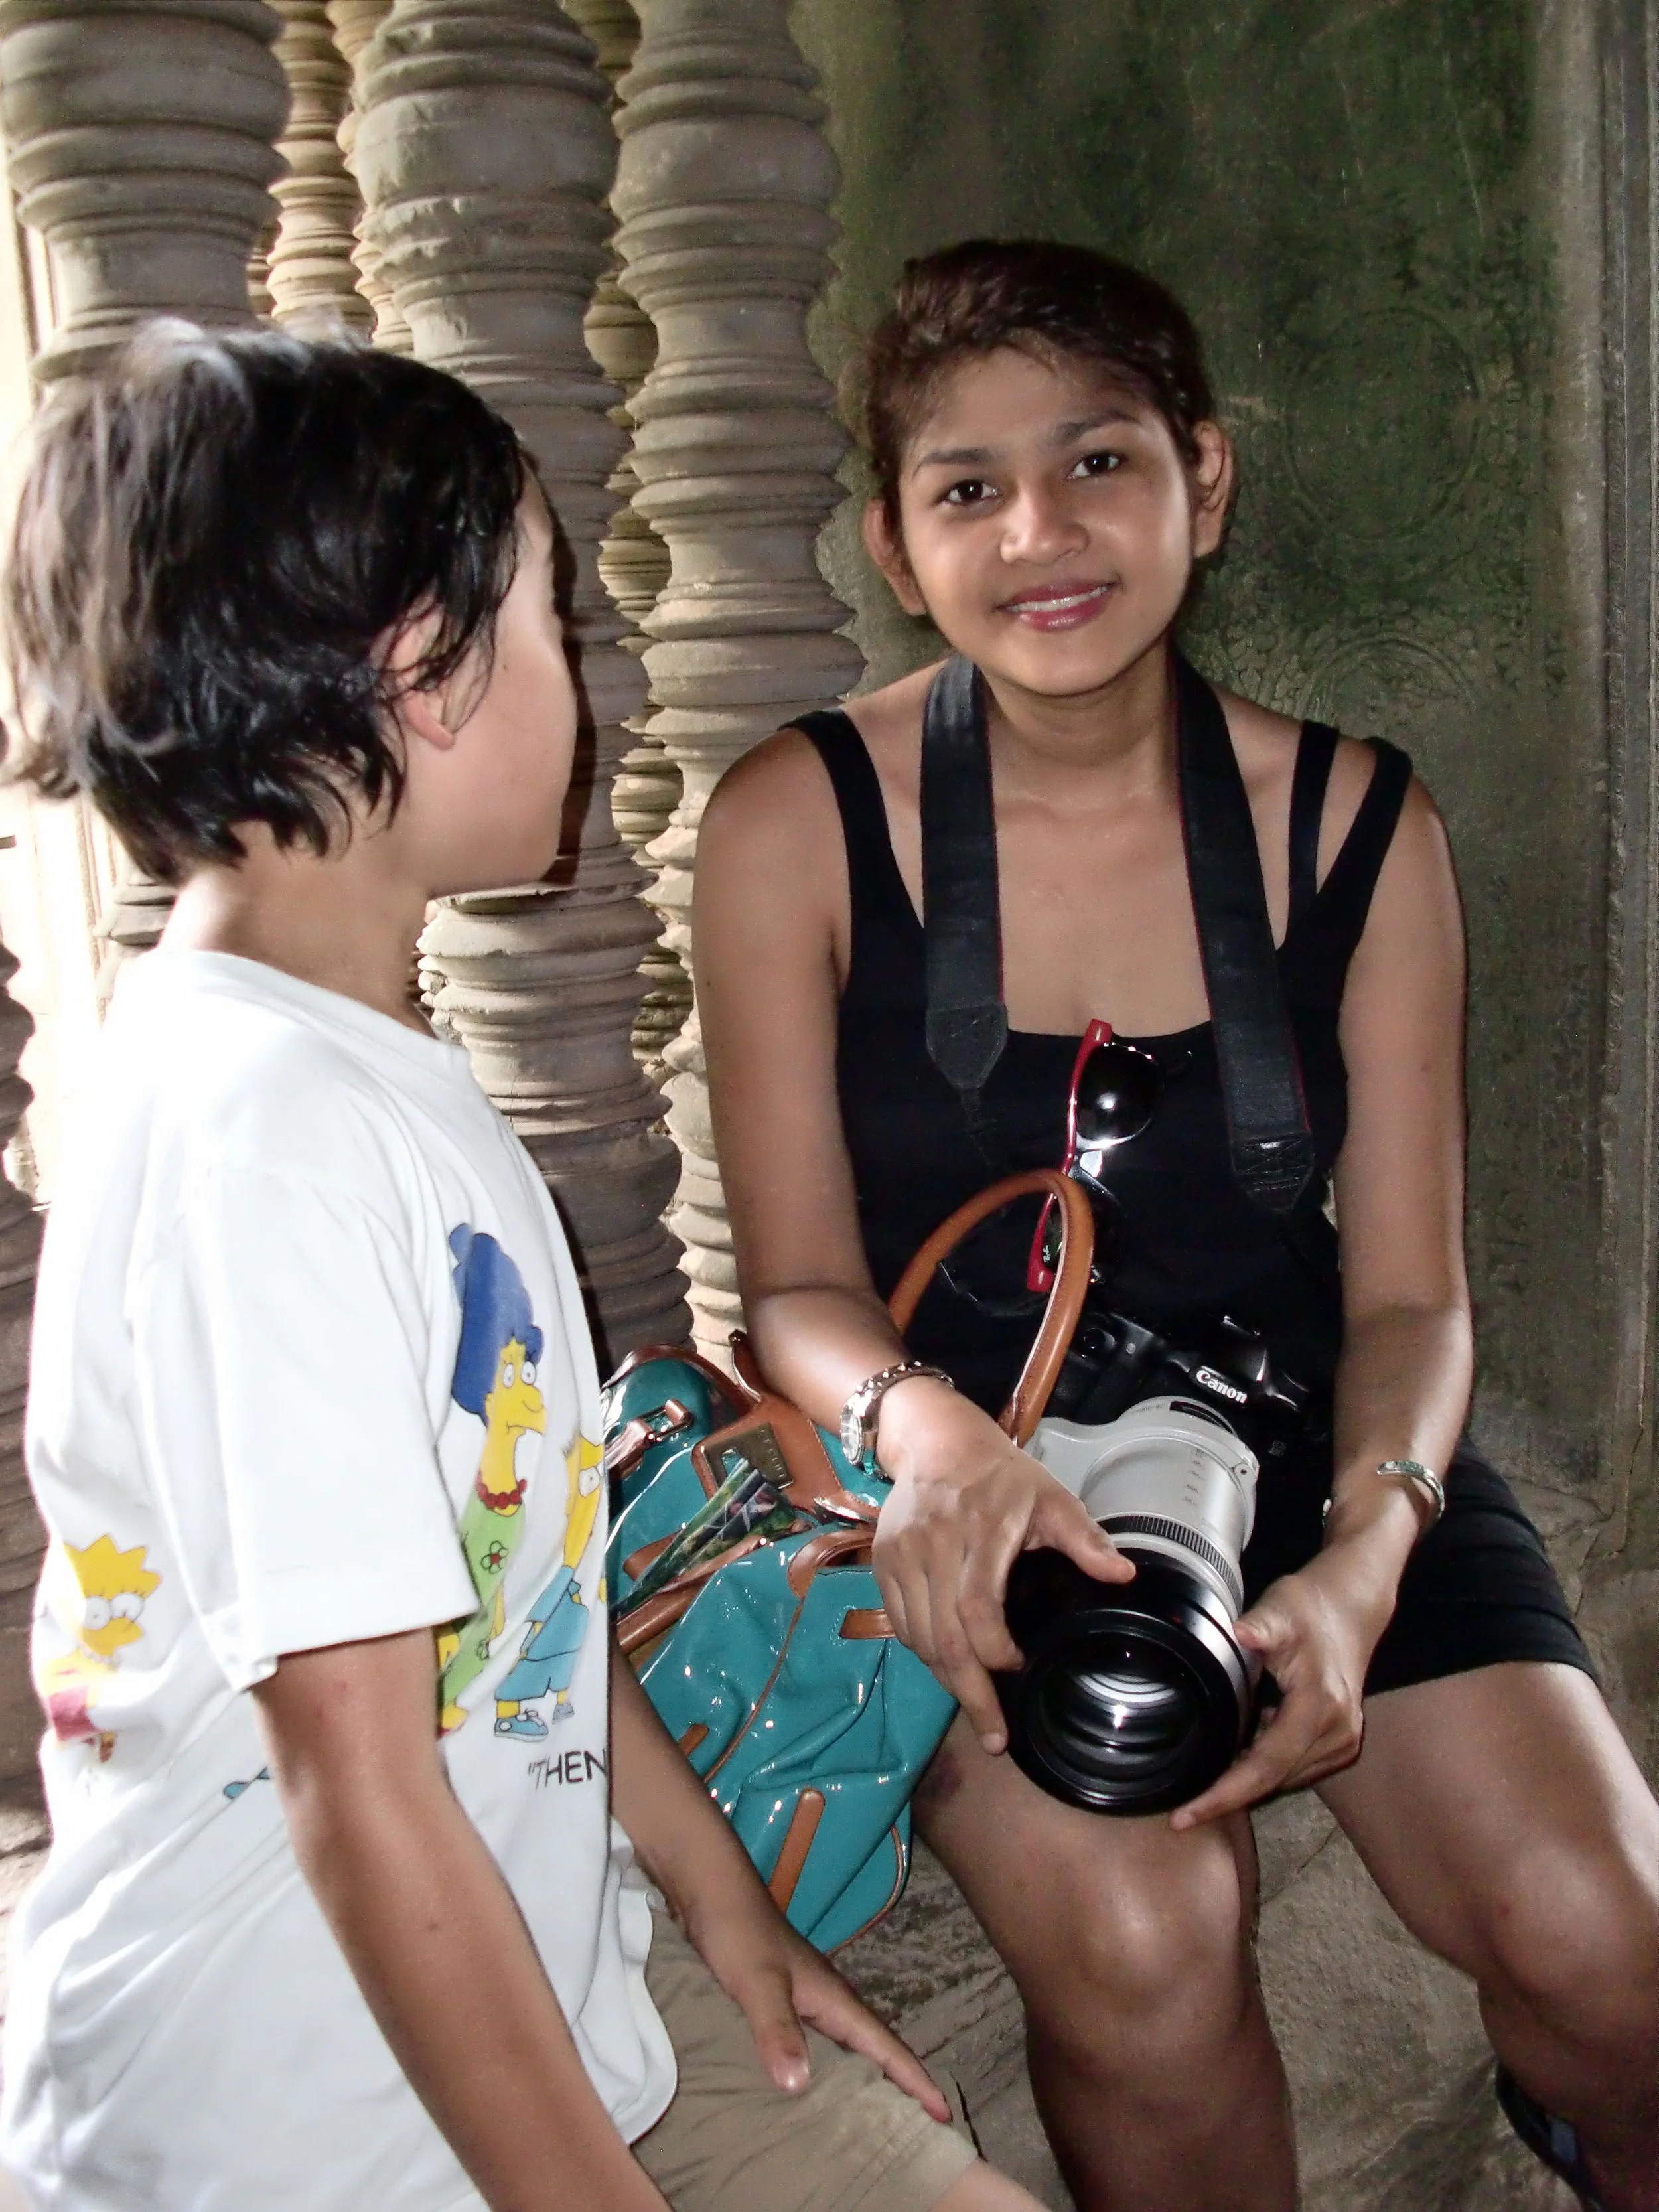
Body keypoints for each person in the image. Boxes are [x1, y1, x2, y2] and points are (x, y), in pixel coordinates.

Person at [0, 323, 1046, 2212]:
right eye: (552, 617)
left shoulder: (353, 1058)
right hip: (297, 2123)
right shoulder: (266, 1141)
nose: (597, 678)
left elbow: (516, 1604)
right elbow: (358, 1785)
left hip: (539, 1987)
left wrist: (720, 1905)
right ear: (416, 670)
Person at [695, 240, 1659, 2212]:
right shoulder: (798, 820)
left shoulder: (1358, 826)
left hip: (1312, 1440)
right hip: (970, 1474)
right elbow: (790, 1283)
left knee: (1605, 1931)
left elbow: (1411, 1294)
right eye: (967, 486)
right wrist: (928, 1443)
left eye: (1098, 462)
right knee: (1143, 1942)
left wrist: (1370, 1554)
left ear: (1200, 482)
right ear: (895, 543)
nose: (1038, 534)